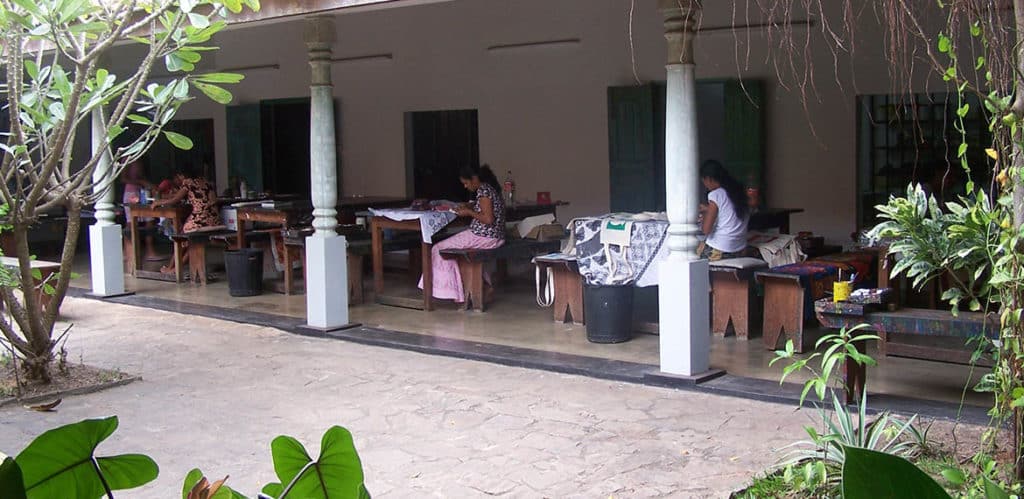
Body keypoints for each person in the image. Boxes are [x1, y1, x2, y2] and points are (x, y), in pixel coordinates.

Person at [419, 163, 506, 302]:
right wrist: (469, 205)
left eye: (466, 183)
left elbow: (488, 219)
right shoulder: (489, 189)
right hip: (494, 236)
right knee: (456, 251)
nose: (465, 186)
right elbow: (485, 208)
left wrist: (469, 212)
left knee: (438, 248)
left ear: (474, 178)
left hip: (484, 236)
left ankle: (452, 291)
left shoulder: (484, 191)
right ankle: (481, 285)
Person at [154, 164, 222, 275]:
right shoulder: (204, 181)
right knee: (189, 242)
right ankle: (172, 268)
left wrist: (158, 202)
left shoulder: (188, 182)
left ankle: (173, 269)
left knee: (182, 241)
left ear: (182, 175)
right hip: (214, 219)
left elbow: (174, 200)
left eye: (179, 177)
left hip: (201, 219)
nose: (179, 180)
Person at [697, 160, 750, 261]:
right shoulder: (739, 193)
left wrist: (704, 213)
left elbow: (706, 230)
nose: (705, 186)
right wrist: (708, 208)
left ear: (708, 179)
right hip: (740, 249)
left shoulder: (715, 195)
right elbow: (728, 211)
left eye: (704, 182)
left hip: (720, 249)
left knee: (689, 252)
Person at [119, 160, 164, 261]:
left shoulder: (141, 159)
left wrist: (148, 184)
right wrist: (141, 182)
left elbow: (142, 177)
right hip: (131, 193)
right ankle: (127, 252)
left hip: (142, 192)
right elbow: (123, 179)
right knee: (130, 223)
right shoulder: (127, 159)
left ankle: (150, 252)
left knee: (149, 220)